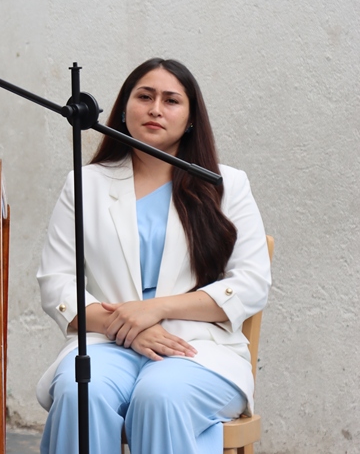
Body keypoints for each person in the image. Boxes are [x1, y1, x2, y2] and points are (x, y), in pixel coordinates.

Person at [36, 58, 271, 454]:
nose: (156, 109)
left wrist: (156, 309)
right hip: (107, 344)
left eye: (171, 100)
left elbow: (251, 284)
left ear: (191, 118)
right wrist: (127, 327)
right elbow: (56, 283)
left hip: (198, 348)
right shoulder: (85, 184)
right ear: (123, 109)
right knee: (82, 393)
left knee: (159, 395)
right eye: (144, 97)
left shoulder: (226, 184)